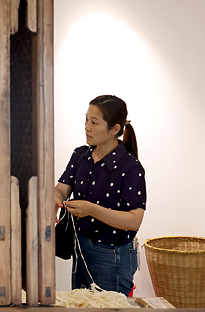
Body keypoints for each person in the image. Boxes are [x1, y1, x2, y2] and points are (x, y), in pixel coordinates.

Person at [54, 95, 146, 295]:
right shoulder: (80, 155)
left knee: (110, 307)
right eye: (86, 120)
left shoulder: (130, 167)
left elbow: (134, 221)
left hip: (113, 254)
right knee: (80, 305)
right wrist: (56, 199)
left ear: (114, 129)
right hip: (81, 247)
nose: (87, 127)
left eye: (94, 122)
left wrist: (92, 209)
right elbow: (62, 188)